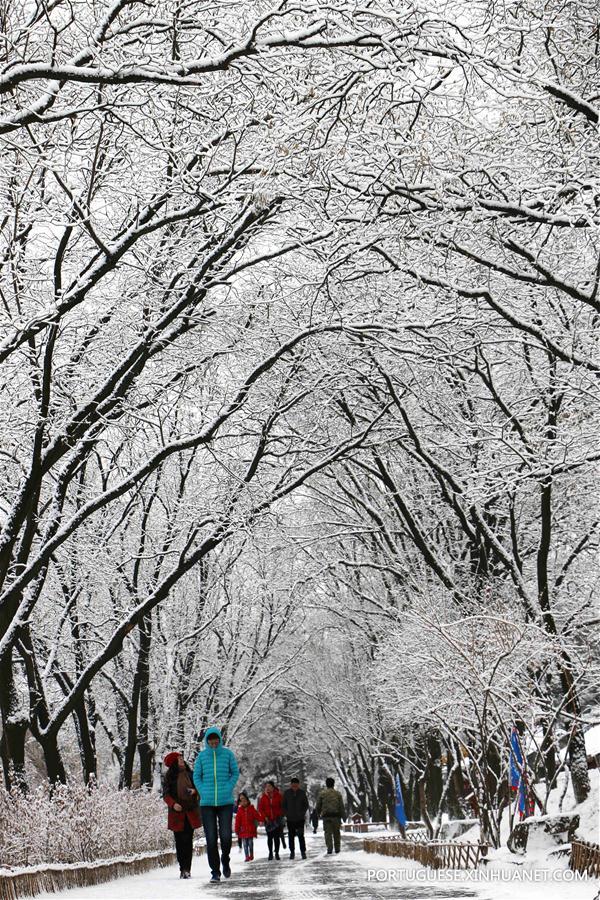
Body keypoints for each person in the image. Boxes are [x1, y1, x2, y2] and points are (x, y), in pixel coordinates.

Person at [193, 726, 239, 883]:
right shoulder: (201, 757)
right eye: (210, 739)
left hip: (225, 801)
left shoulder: (227, 754)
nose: (213, 742)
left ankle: (225, 859)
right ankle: (215, 871)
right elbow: (196, 776)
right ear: (207, 740)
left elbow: (235, 772)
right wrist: (202, 791)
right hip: (207, 803)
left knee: (226, 836)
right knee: (211, 838)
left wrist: (228, 787)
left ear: (219, 739)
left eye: (215, 739)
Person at [162, 751, 202, 879]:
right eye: (179, 759)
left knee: (188, 841)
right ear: (174, 762)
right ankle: (182, 868)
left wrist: (194, 791)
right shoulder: (169, 777)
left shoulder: (191, 774)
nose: (181, 760)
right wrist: (173, 804)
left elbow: (199, 789)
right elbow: (166, 795)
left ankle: (187, 869)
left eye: (181, 758)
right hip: (177, 813)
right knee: (179, 842)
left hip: (190, 811)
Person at [316, 777, 346, 855]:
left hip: (326, 817)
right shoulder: (338, 794)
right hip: (336, 816)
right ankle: (337, 848)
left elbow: (318, 805)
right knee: (336, 833)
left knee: (328, 833)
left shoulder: (322, 794)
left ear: (326, 784)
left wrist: (318, 813)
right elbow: (341, 806)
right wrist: (344, 816)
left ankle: (329, 848)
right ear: (333, 784)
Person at [282, 777, 309, 860]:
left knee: (301, 836)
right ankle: (292, 852)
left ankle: (303, 852)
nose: (294, 787)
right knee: (291, 836)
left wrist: (302, 813)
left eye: (296, 786)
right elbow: (283, 805)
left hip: (300, 819)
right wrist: (286, 813)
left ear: (298, 785)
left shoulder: (302, 793)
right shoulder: (287, 793)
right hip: (290, 819)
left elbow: (306, 805)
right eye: (293, 786)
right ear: (291, 785)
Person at [257, 780, 284, 860]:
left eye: (269, 786)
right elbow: (261, 809)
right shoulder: (263, 797)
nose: (267, 788)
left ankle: (277, 853)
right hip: (268, 820)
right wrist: (265, 817)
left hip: (277, 819)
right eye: (266, 787)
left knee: (276, 837)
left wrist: (279, 814)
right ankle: (270, 853)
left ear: (273, 787)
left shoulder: (278, 795)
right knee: (269, 837)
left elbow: (282, 806)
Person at [234, 791, 263, 861]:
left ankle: (251, 854)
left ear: (247, 800)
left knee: (250, 843)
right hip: (243, 830)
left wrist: (261, 819)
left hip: (250, 829)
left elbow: (257, 816)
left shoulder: (251, 809)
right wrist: (237, 830)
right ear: (240, 802)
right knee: (244, 844)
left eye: (244, 800)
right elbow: (237, 822)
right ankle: (247, 856)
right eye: (241, 801)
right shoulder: (239, 811)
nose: (243, 802)